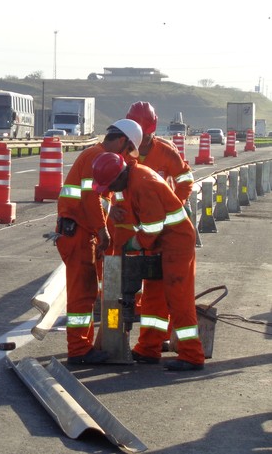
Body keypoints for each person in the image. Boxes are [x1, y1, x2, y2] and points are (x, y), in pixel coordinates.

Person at [92, 152, 205, 371]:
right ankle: (148, 348)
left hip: (175, 242)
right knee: (154, 297)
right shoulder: (130, 181)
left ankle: (192, 354)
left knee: (177, 297)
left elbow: (153, 226)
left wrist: (136, 242)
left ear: (118, 177)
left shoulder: (143, 183)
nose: (110, 190)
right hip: (160, 243)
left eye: (109, 185)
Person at [109, 102, 195, 364]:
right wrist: (112, 210)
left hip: (159, 235)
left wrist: (172, 208)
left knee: (169, 294)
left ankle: (179, 351)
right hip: (135, 232)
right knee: (132, 293)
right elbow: (113, 185)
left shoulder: (159, 158)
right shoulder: (122, 157)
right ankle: (136, 345)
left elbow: (183, 182)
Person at [54, 119, 142, 365]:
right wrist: (103, 230)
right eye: (127, 152)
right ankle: (79, 349)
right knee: (82, 293)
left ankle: (83, 346)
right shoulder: (96, 157)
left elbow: (100, 197)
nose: (125, 160)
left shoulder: (99, 157)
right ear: (122, 141)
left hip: (82, 232)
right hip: (79, 233)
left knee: (88, 291)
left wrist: (109, 212)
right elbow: (90, 198)